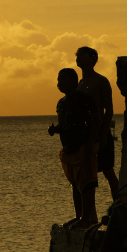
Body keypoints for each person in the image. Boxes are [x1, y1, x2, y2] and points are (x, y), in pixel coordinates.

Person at [48, 68, 100, 228]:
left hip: (83, 146)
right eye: (58, 79)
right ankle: (80, 216)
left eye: (63, 79)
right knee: (76, 184)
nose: (59, 82)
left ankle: (88, 217)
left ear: (73, 81)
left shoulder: (83, 99)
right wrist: (55, 129)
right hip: (68, 148)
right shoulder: (61, 103)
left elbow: (96, 119)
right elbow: (65, 124)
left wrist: (92, 141)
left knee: (87, 183)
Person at [75, 46, 120, 200]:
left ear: (93, 59)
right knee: (86, 174)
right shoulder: (79, 84)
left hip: (100, 131)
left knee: (108, 171)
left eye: (83, 55)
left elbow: (109, 109)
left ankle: (118, 203)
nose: (79, 57)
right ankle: (88, 214)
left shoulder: (101, 81)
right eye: (77, 55)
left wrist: (103, 134)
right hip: (84, 134)